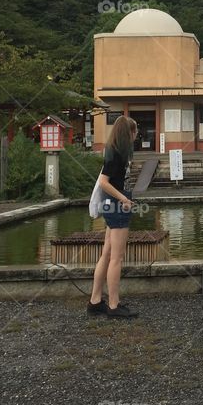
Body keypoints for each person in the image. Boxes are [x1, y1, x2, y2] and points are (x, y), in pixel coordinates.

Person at [88, 115, 139, 319]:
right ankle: (114, 305)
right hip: (117, 205)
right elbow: (104, 182)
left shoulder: (113, 150)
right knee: (116, 257)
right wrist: (124, 200)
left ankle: (95, 301)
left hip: (111, 205)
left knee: (107, 254)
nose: (136, 136)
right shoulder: (117, 153)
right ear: (128, 133)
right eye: (134, 132)